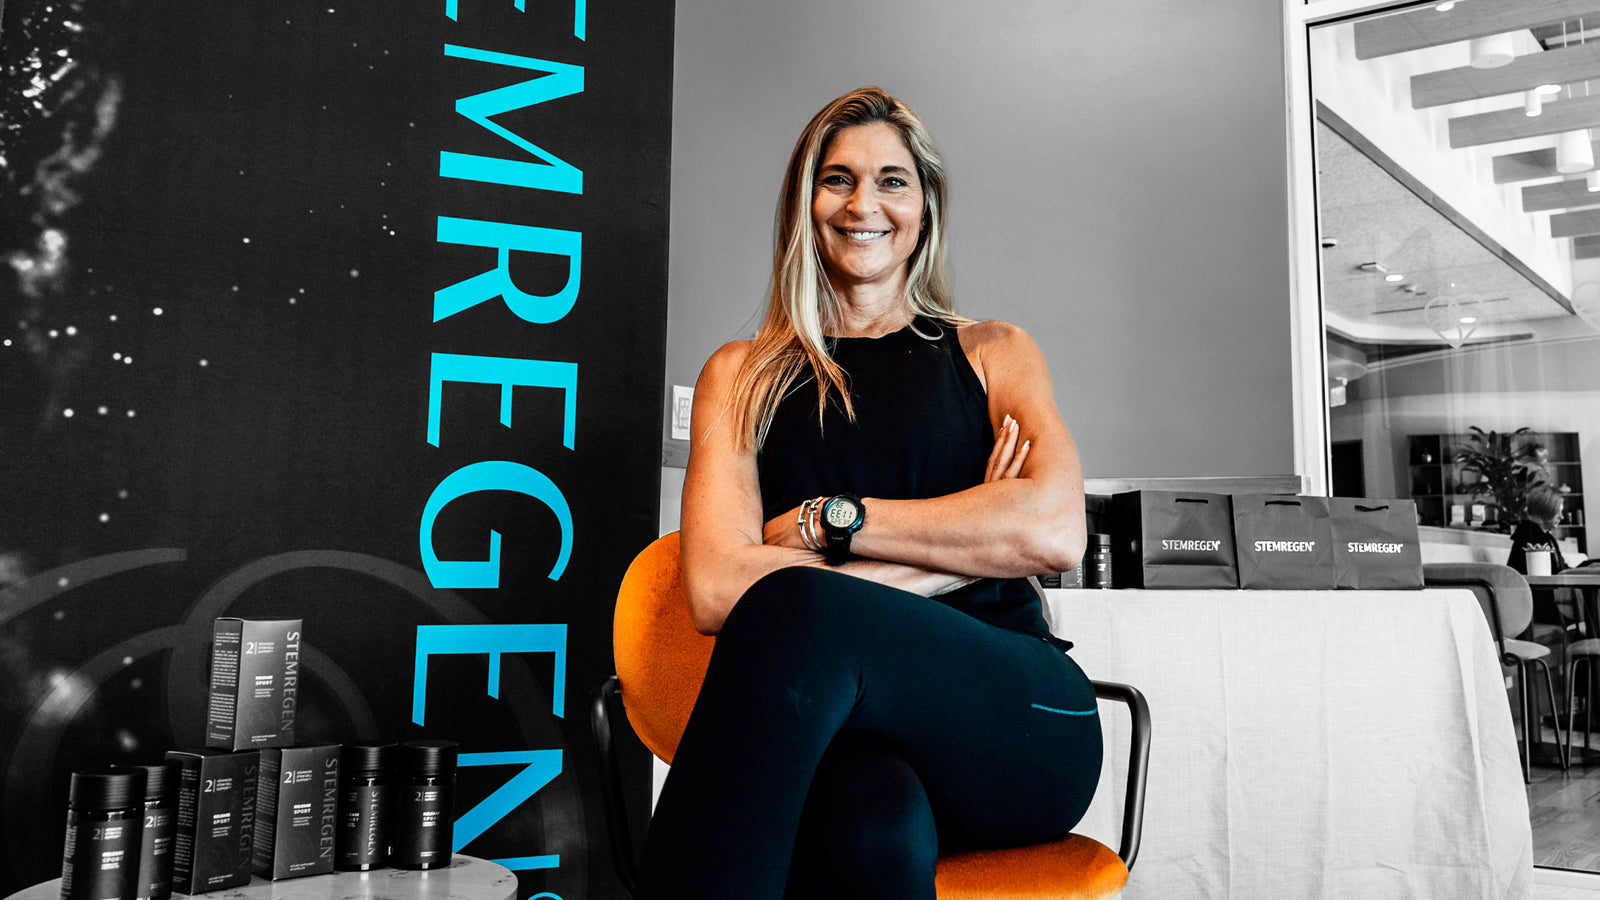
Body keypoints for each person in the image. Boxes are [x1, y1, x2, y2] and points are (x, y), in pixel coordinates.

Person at [632, 87, 1102, 900]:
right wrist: (967, 549)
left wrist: (831, 526)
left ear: (925, 206)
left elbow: (1055, 531)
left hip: (1016, 716)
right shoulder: (741, 376)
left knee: (798, 607)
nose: (863, 205)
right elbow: (714, 590)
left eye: (892, 181)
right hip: (844, 735)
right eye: (837, 179)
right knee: (871, 824)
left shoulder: (993, 352)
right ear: (804, 202)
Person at [1508, 483, 1568, 576]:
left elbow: (1561, 570)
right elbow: (1550, 575)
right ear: (1544, 512)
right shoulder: (1529, 537)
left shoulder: (1546, 536)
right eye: (1557, 512)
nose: (1562, 517)